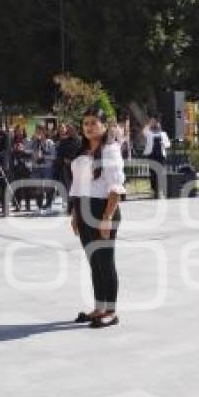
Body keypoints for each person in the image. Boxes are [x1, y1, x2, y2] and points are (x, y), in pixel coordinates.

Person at [70, 106, 125, 329]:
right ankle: (99, 307)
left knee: (105, 261)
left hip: (103, 210)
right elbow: (76, 186)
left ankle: (111, 311)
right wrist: (75, 215)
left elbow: (115, 188)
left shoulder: (110, 150)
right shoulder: (82, 152)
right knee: (94, 263)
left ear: (104, 125)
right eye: (85, 123)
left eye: (94, 122)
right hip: (83, 210)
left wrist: (107, 217)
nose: (89, 127)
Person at [55, 122, 82, 214]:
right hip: (67, 167)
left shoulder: (81, 141)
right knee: (69, 187)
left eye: (71, 129)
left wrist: (74, 160)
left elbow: (83, 153)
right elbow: (59, 154)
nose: (69, 131)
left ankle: (78, 206)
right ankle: (70, 207)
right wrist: (63, 159)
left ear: (76, 130)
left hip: (79, 167)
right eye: (68, 129)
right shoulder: (64, 141)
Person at [144, 119, 170, 198]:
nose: (157, 126)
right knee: (152, 174)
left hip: (161, 156)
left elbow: (168, 144)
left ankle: (160, 191)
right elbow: (144, 131)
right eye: (155, 125)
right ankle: (153, 191)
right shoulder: (149, 133)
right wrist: (149, 123)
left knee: (161, 173)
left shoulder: (163, 134)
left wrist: (164, 143)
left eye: (158, 125)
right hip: (152, 155)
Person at [33, 127, 56, 213]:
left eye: (40, 132)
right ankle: (39, 206)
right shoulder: (34, 143)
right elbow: (30, 152)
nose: (38, 134)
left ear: (44, 133)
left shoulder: (49, 142)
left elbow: (53, 156)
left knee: (48, 187)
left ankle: (49, 206)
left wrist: (44, 156)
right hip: (37, 167)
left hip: (47, 167)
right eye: (37, 132)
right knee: (38, 187)